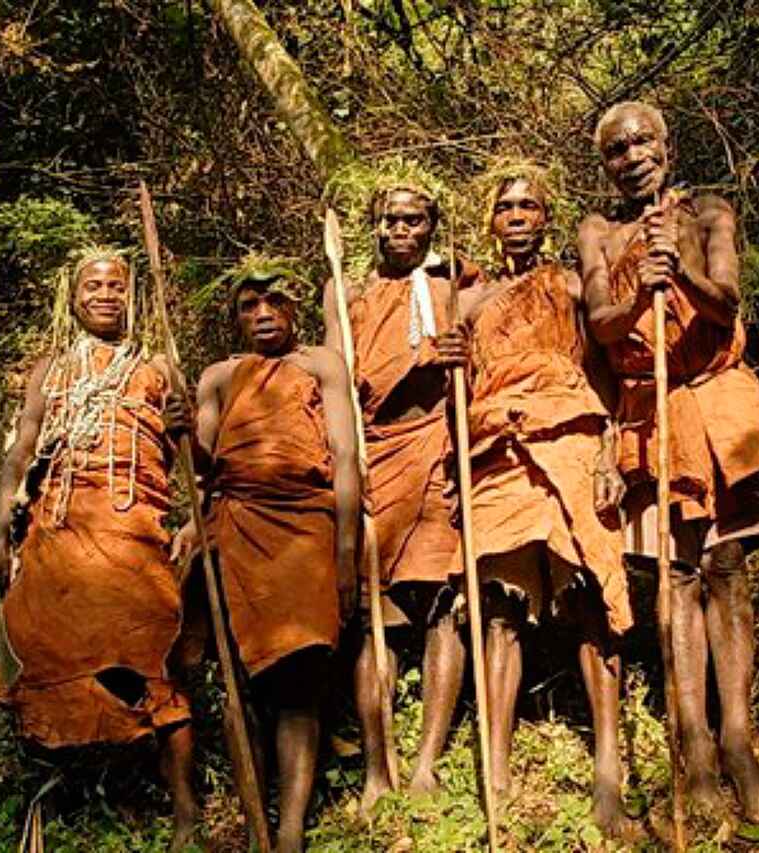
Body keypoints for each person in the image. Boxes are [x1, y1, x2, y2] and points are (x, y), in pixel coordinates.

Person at [577, 100, 759, 822]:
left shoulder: (708, 212)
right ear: (605, 164)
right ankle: (693, 746)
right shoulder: (599, 231)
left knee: (726, 565)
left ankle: (739, 741)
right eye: (617, 149)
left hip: (714, 397)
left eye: (643, 142)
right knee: (674, 576)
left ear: (666, 146)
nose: (633, 156)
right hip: (650, 410)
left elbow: (726, 302)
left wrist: (684, 272)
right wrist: (642, 288)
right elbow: (602, 325)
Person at [0, 247, 199, 852]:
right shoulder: (52, 371)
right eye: (93, 286)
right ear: (73, 299)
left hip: (132, 535)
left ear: (132, 296)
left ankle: (184, 813)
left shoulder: (157, 368)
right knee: (38, 650)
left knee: (149, 658)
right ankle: (56, 795)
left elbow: (194, 462)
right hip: (57, 532)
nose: (104, 295)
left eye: (115, 286)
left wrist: (184, 428)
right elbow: (20, 456)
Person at [455, 165, 634, 835]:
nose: (518, 216)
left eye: (529, 206)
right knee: (500, 604)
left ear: (546, 217)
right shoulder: (469, 303)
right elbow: (455, 389)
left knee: (590, 593)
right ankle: (496, 774)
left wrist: (612, 453)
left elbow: (604, 373)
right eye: (506, 207)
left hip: (571, 435)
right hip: (496, 447)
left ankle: (608, 769)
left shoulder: (571, 284)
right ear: (490, 221)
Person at [179, 258, 358, 853]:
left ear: (294, 308)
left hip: (306, 527)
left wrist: (347, 550)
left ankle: (290, 832)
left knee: (299, 677)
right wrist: (180, 432)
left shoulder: (322, 365)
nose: (262, 315)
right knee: (241, 681)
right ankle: (257, 824)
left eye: (274, 302)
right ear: (235, 318)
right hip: (237, 527)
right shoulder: (219, 377)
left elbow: (345, 458)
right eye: (249, 306)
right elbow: (202, 469)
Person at [322, 166, 474, 813]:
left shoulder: (453, 286)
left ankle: (427, 763)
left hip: (436, 450)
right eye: (390, 220)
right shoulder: (348, 293)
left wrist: (462, 357)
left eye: (414, 219)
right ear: (374, 227)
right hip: (374, 458)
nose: (401, 230)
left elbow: (482, 362)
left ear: (432, 226)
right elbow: (335, 380)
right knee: (371, 617)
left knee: (443, 603)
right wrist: (344, 465)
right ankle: (376, 768)